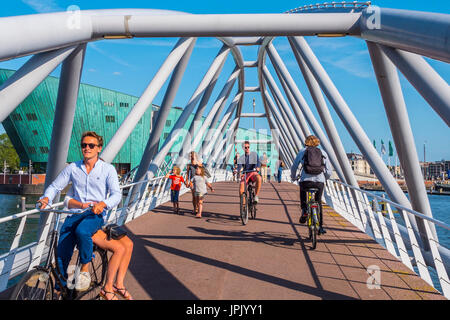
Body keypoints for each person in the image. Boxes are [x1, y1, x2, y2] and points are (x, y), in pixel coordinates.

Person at [37, 131, 121, 292]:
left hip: (95, 214)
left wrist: (103, 204)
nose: (87, 148)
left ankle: (84, 268)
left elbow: (116, 194)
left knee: (82, 231)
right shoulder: (73, 168)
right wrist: (46, 198)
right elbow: (55, 186)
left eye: (91, 145)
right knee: (61, 253)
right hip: (74, 213)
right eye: (84, 145)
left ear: (99, 148)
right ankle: (60, 288)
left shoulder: (108, 169)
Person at [65, 196, 134, 300]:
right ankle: (107, 288)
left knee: (129, 244)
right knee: (119, 249)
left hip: (97, 219)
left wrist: (103, 204)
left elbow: (116, 195)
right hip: (84, 220)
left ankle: (118, 285)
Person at [290, 135, 332, 235]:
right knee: (318, 202)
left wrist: (293, 177)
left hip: (306, 181)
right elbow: (329, 171)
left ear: (306, 142)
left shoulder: (302, 151)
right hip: (319, 182)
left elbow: (294, 167)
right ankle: (320, 227)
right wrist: (324, 178)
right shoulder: (323, 152)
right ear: (317, 142)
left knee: (303, 190)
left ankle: (304, 209)